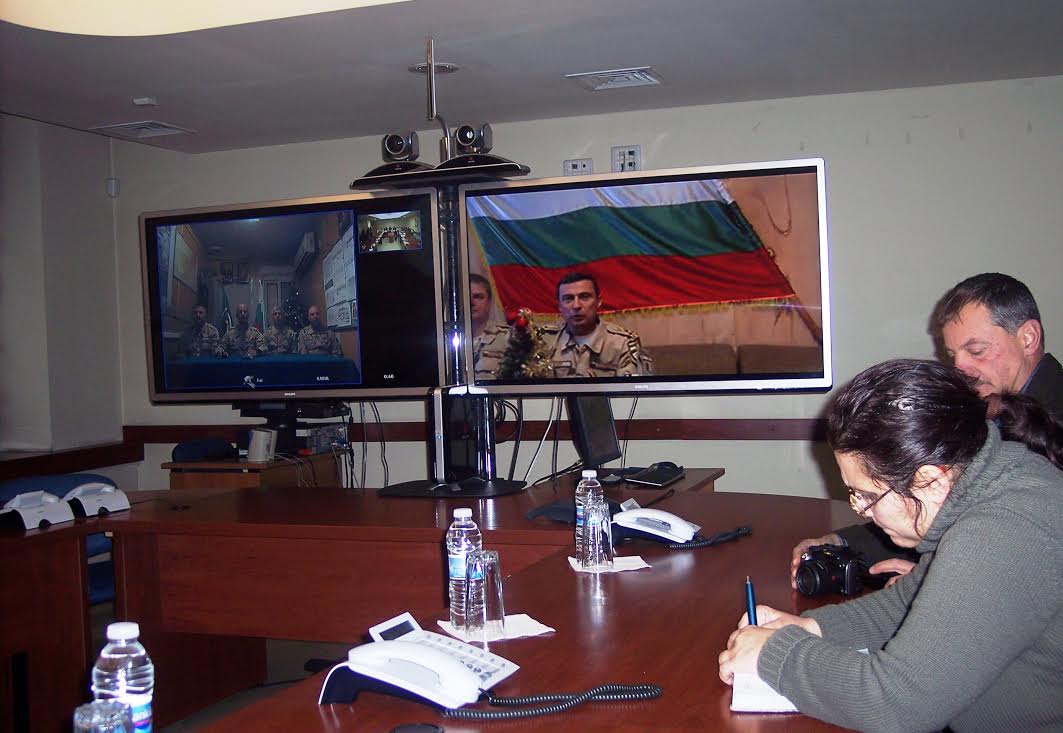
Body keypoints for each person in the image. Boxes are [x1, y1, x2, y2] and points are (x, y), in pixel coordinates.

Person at [719, 359, 1063, 732]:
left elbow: (898, 703)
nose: (861, 510)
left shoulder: (1001, 533)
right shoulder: (983, 480)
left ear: (931, 481)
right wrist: (808, 627)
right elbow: (909, 602)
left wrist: (774, 654)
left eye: (867, 495)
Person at [790, 273, 1063, 586]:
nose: (961, 369)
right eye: (953, 355)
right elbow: (932, 511)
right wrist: (842, 542)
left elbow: (1029, 553)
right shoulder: (991, 407)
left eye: (976, 351)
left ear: (1028, 337)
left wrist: (936, 578)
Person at [542, 272, 651, 377]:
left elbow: (635, 388)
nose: (576, 305)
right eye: (568, 299)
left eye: (584, 297)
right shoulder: (544, 340)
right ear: (559, 306)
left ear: (598, 301)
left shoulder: (624, 343)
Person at [469, 274, 510, 380]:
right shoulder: (446, 341)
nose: (471, 302)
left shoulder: (507, 339)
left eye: (478, 297)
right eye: (465, 297)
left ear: (489, 302)